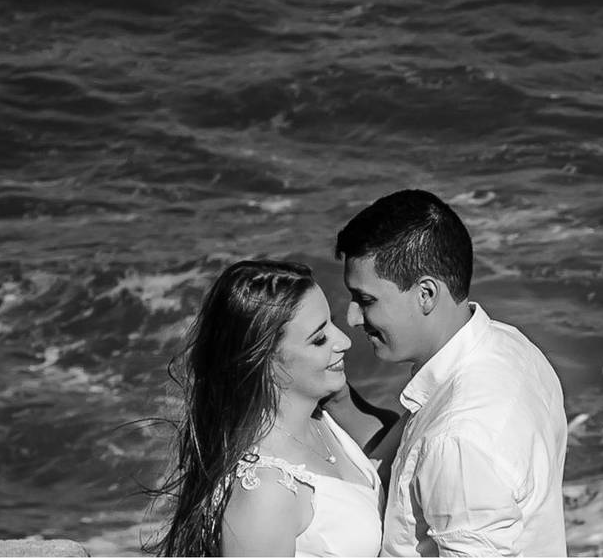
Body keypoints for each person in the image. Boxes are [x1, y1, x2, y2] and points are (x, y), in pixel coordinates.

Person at [333, 189, 569, 557]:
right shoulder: (508, 346)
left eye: (366, 300)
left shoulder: (457, 437)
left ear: (426, 293)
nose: (352, 318)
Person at [152, 260, 383, 557]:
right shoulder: (264, 493)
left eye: (332, 323)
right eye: (319, 339)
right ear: (265, 363)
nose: (345, 341)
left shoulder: (319, 418)